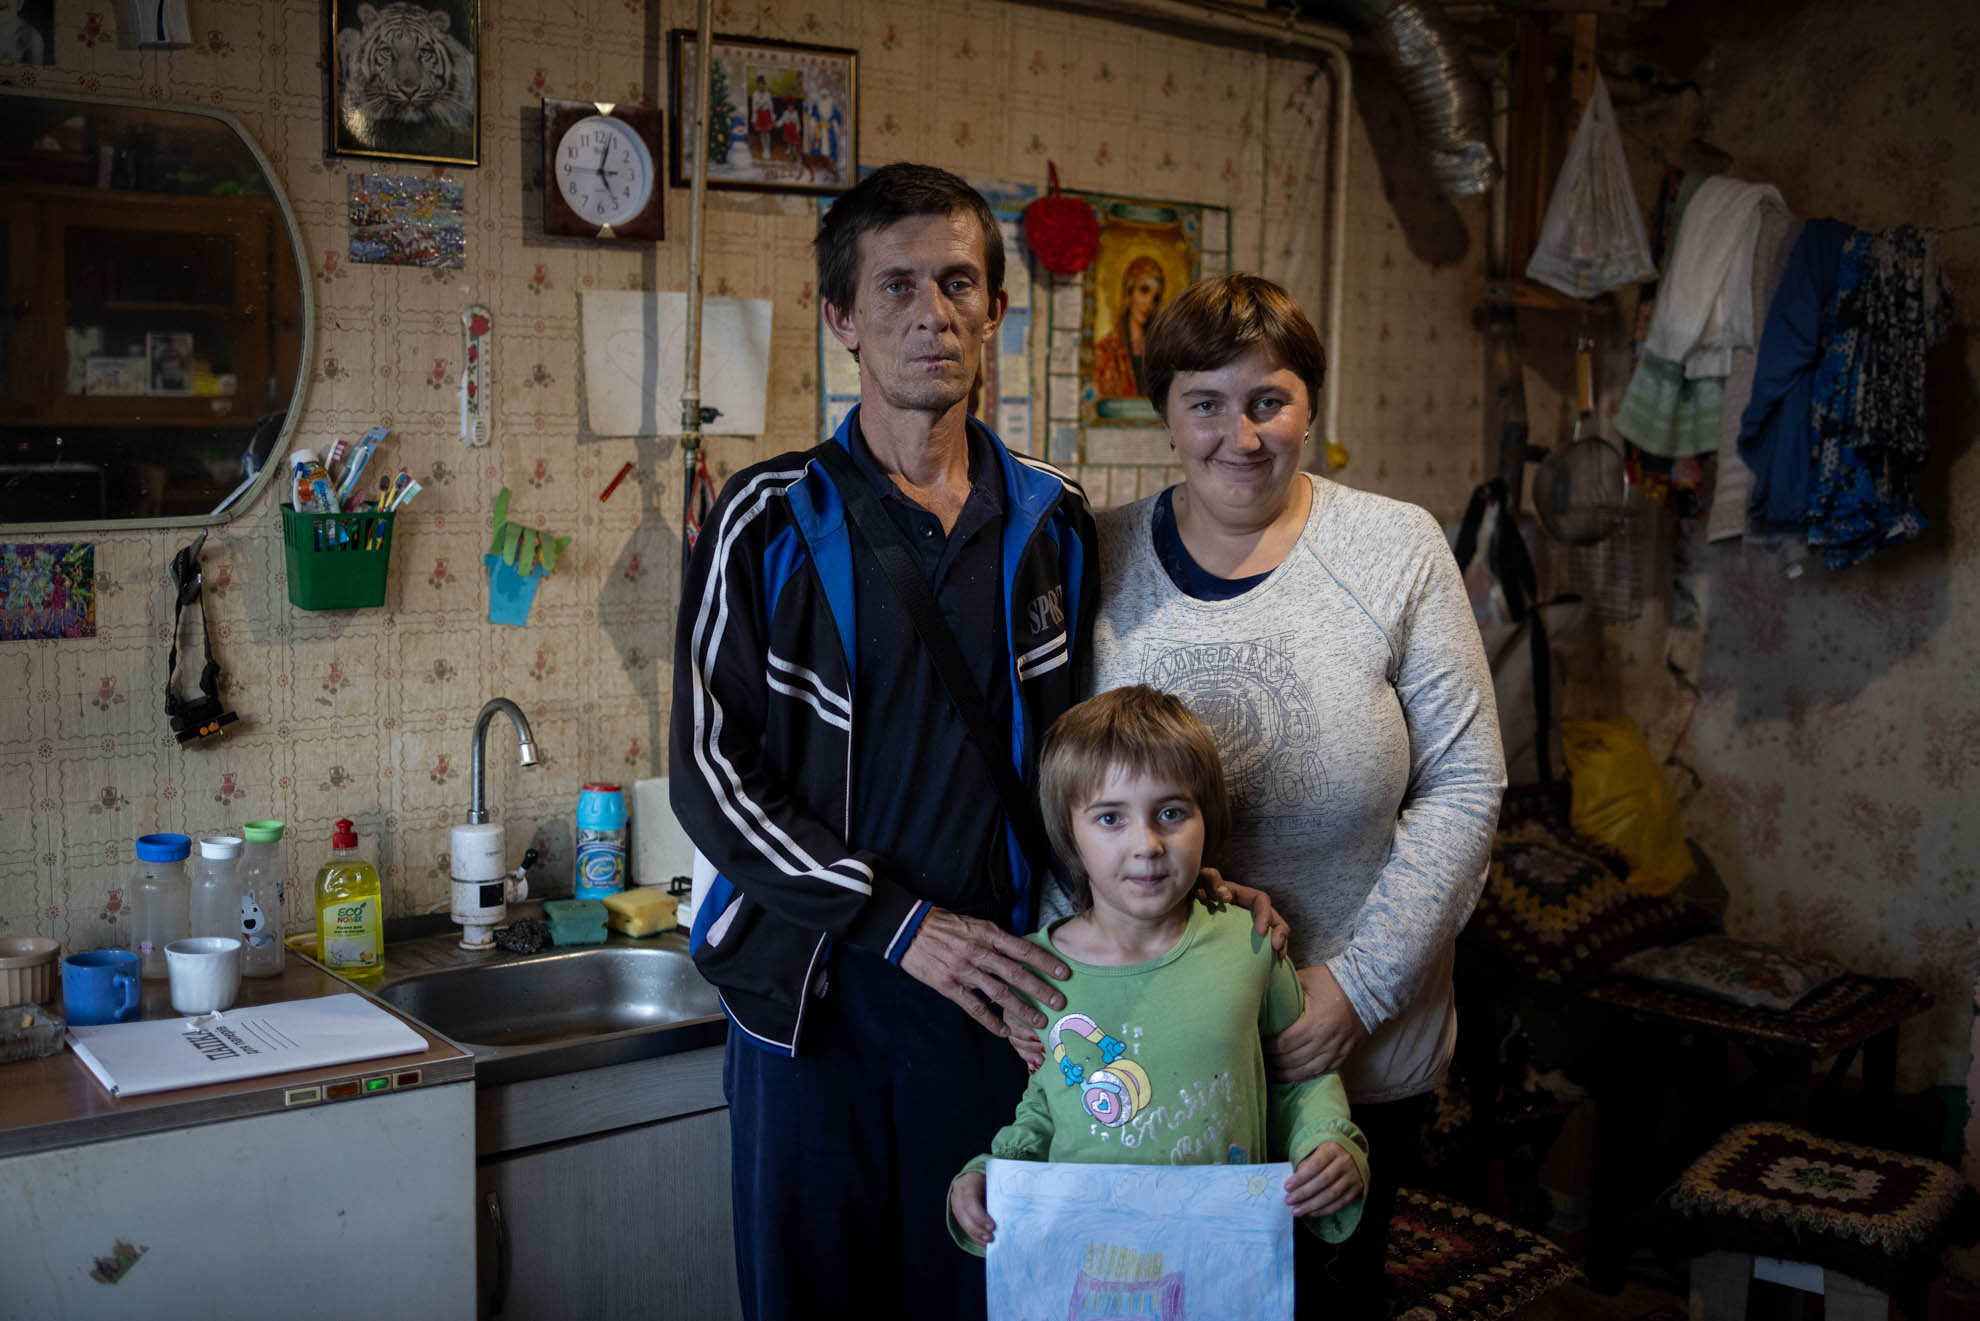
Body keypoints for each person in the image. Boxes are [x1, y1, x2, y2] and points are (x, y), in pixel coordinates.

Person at [669, 161, 1099, 1321]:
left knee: (986, 1298)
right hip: (815, 1003)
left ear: (997, 310)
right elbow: (708, 771)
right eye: (897, 283)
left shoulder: (1056, 521)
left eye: (960, 282)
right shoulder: (764, 520)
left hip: (999, 1006)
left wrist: (1168, 882)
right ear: (843, 318)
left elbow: (1085, 760)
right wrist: (897, 925)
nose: (933, 311)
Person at [1074, 273, 1505, 1318]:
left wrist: (1355, 988)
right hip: (1153, 1050)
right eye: (1205, 403)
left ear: (1310, 403)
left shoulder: (1394, 547)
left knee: (1328, 1297)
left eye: (1268, 400)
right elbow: (1065, 789)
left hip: (1353, 1049)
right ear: (1162, 410)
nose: (1241, 435)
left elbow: (1466, 783)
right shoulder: (1100, 556)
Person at [947, 686, 1368, 1264]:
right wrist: (988, 1177)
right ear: (1070, 834)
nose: (1146, 845)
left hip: (1225, 1260)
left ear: (1206, 818)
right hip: (1091, 1264)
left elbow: (1300, 1081)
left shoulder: (1250, 944)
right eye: (1110, 818)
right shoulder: (1040, 972)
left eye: (1171, 812)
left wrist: (1330, 1143)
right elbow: (1044, 1108)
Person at [1092, 254, 1165, 398]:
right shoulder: (1107, 349)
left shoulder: (1159, 352)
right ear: (1128, 292)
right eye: (1144, 290)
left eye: (1155, 298)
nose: (1149, 303)